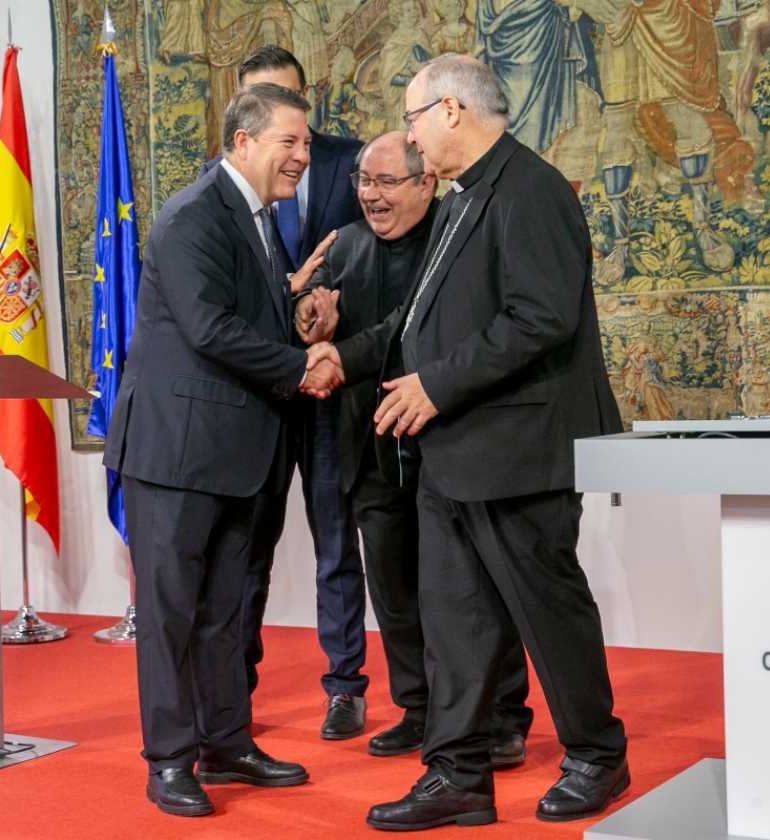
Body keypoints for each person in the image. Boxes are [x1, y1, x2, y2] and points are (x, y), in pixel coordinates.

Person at [308, 54, 628, 830]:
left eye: (413, 118)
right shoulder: (459, 202)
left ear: (451, 110)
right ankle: (457, 775)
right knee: (454, 622)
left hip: (520, 450)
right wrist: (343, 358)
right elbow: (416, 321)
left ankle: (597, 754)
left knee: (548, 612)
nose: (409, 137)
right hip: (455, 455)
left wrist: (435, 387)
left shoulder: (532, 190)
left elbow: (539, 319)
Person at [103, 83, 342, 818]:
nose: (304, 156)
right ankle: (169, 760)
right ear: (243, 141)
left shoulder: (257, 218)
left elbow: (244, 316)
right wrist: (304, 364)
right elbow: (208, 328)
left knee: (227, 613)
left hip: (237, 453)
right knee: (173, 613)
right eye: (290, 142)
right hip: (176, 455)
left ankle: (227, 742)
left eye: (307, 143)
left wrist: (294, 307)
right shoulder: (192, 217)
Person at [294, 130, 533, 767]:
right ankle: (419, 710)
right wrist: (308, 316)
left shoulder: (453, 239)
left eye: (385, 183)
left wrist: (341, 355)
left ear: (426, 183)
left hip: (449, 446)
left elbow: (396, 328)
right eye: (362, 183)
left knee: (475, 594)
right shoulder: (344, 245)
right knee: (397, 595)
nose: (369, 196)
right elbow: (313, 314)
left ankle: (503, 716)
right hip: (370, 449)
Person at [203, 45, 370, 740]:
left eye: (287, 100)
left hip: (332, 382)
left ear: (308, 100)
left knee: (337, 541)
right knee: (248, 549)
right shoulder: (220, 187)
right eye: (259, 102)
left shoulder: (351, 161)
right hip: (261, 392)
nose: (280, 125)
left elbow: (382, 244)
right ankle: (233, 688)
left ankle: (345, 688)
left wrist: (334, 294)